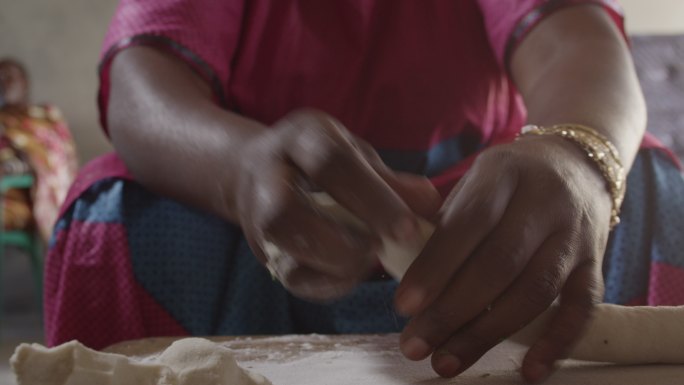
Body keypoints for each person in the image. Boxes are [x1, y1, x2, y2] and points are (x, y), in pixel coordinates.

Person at [44, 0, 684, 383]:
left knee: (647, 180)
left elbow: (575, 39)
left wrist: (577, 156)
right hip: (256, 208)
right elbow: (142, 88)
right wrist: (241, 170)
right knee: (116, 211)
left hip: (488, 213)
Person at [0, 59, 78, 241]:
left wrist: (11, 168)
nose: (4, 83)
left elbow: (62, 156)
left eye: (10, 78)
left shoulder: (46, 115)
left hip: (32, 200)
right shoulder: (3, 121)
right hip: (8, 196)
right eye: (0, 78)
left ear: (25, 82)